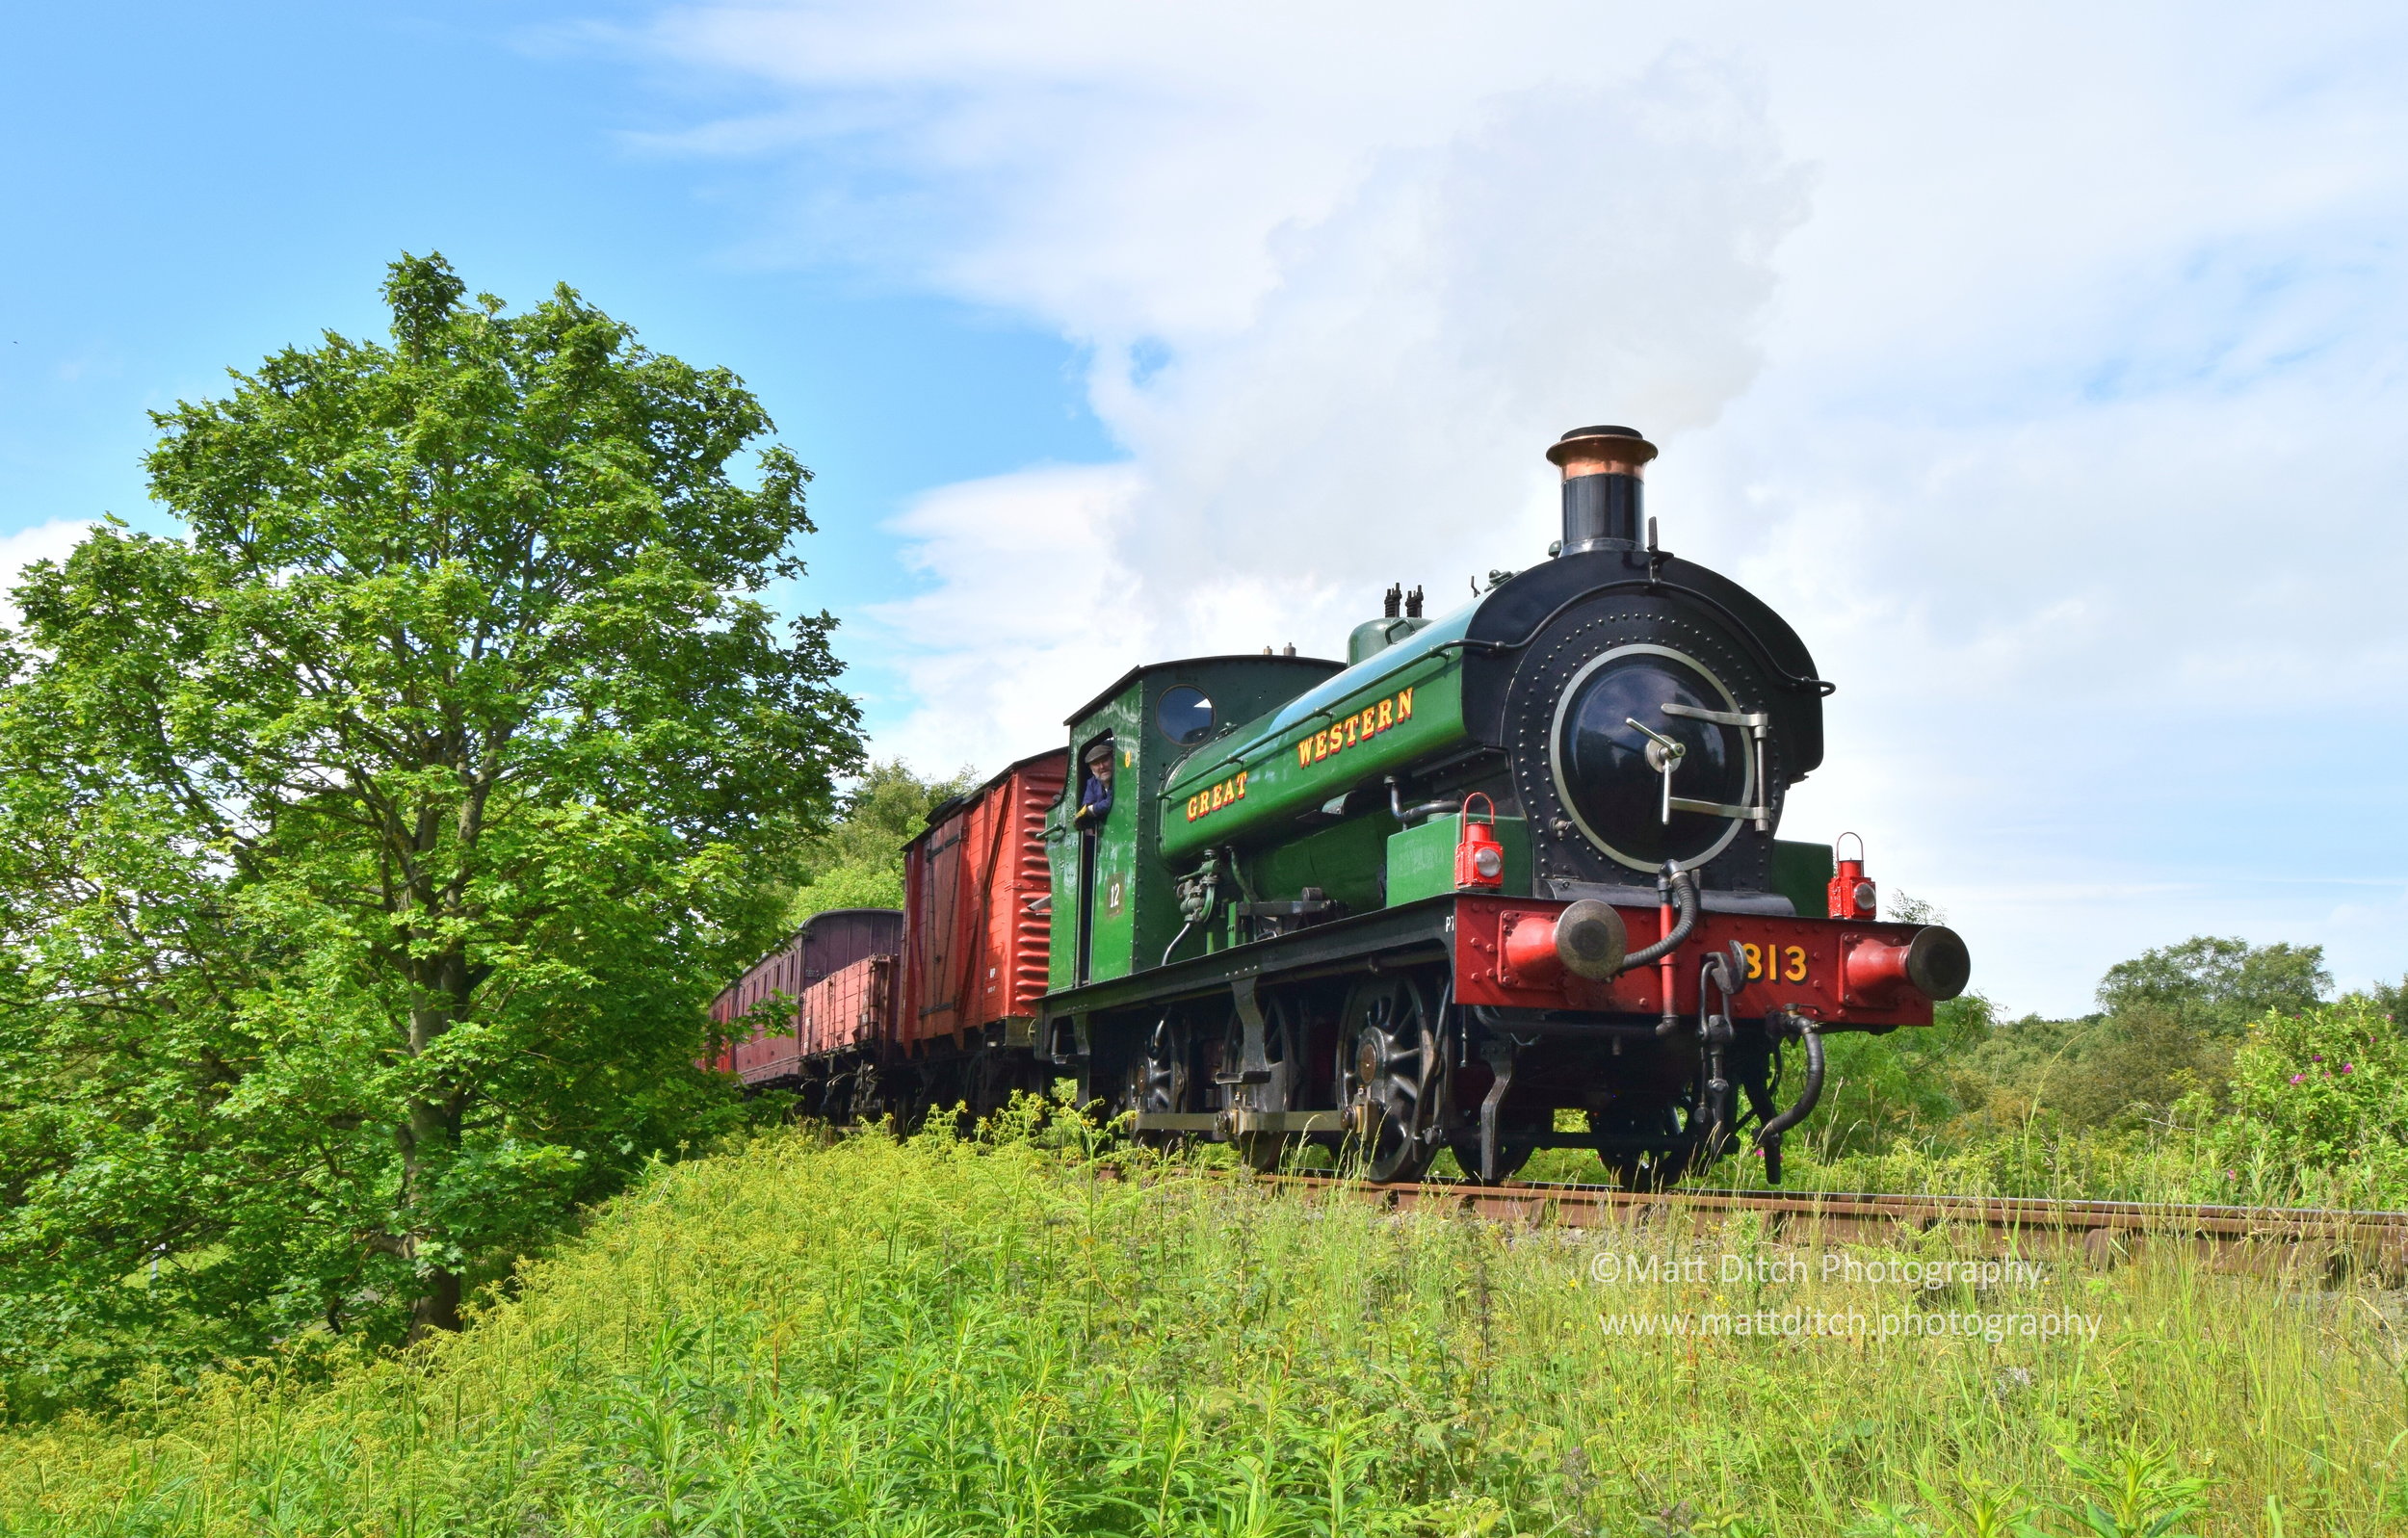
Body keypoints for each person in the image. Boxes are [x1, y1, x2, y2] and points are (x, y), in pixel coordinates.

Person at [1072, 741, 1114, 830]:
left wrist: (1094, 809)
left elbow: (1113, 802)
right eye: (1096, 764)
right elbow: (1086, 807)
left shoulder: (1120, 779)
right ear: (1091, 769)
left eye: (1105, 760)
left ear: (1113, 760)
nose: (1102, 766)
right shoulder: (1092, 783)